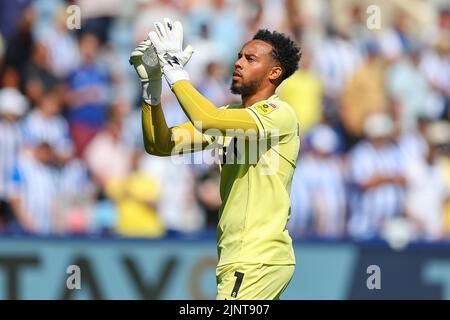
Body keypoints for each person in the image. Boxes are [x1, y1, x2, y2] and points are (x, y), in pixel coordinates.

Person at [129, 18, 301, 300]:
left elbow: (206, 118)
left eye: (250, 59)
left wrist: (173, 69)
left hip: (258, 256)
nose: (239, 63)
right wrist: (152, 85)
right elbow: (160, 144)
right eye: (239, 56)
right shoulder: (229, 115)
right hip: (238, 257)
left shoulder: (278, 113)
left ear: (275, 72)